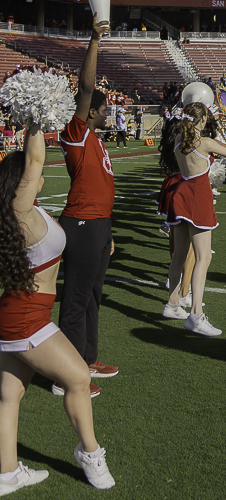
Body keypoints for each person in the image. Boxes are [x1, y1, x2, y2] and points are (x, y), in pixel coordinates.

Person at [0, 123, 115, 491]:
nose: (41, 174)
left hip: (15, 314)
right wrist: (35, 117)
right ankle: (90, 453)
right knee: (79, 378)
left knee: (10, 395)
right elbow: (35, 157)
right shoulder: (19, 210)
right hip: (28, 320)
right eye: (33, 174)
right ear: (20, 182)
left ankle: (6, 474)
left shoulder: (19, 211)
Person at [57, 16, 118, 395]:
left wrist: (107, 231)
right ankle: (66, 374)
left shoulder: (94, 136)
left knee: (93, 294)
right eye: (103, 107)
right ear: (90, 110)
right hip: (79, 223)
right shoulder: (77, 133)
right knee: (76, 299)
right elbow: (86, 85)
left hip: (98, 225)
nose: (106, 110)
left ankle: (86, 359)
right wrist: (94, 40)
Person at [161, 103, 226, 335]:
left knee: (179, 255)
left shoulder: (178, 140)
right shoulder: (205, 142)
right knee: (203, 258)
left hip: (179, 195)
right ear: (201, 121)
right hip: (197, 198)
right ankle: (196, 316)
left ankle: (172, 304)